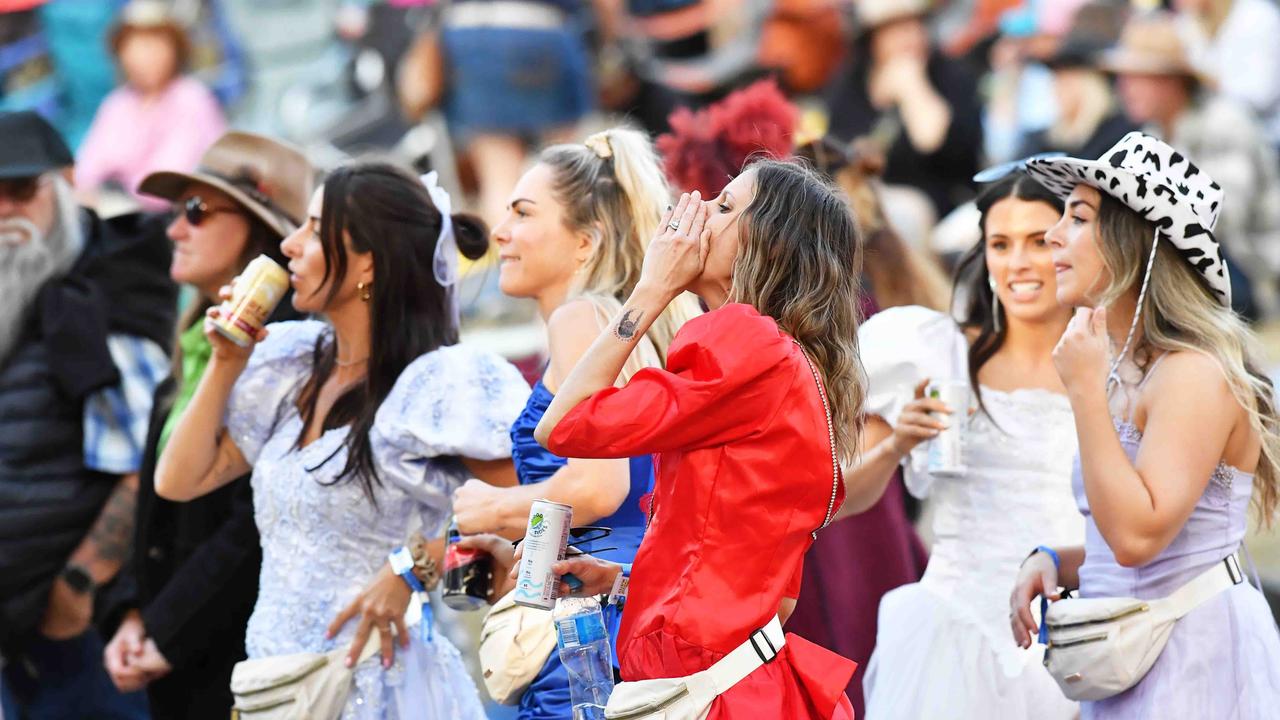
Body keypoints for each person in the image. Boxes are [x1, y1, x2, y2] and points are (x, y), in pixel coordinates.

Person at [154, 161, 531, 718]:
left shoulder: (440, 382)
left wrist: (417, 568)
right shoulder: (292, 365)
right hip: (277, 685)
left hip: (383, 689)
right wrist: (227, 360)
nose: (289, 244)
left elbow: (534, 513)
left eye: (312, 228)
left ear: (369, 262)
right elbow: (178, 481)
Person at [533, 162, 863, 718]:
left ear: (769, 245)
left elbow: (564, 425)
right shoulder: (793, 362)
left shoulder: (745, 341)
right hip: (746, 681)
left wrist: (652, 286)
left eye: (724, 206)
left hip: (700, 688)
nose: (697, 210)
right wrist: (629, 580)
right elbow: (772, 596)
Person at [1011, 131, 1280, 717]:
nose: (1054, 234)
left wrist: (1082, 392)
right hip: (1136, 656)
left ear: (1136, 242)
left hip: (1193, 662)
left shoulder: (1194, 373)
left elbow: (1138, 538)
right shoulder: (1125, 367)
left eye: (1077, 218)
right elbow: (1130, 537)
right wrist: (1057, 559)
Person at [451, 128, 695, 718]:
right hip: (632, 608)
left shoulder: (581, 319)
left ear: (585, 242)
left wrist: (492, 506)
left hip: (588, 633)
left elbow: (596, 487)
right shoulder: (627, 328)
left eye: (523, 213)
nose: (500, 232)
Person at [841, 167, 1084, 719]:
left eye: (1038, 242)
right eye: (1001, 244)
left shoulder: (1112, 365)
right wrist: (896, 446)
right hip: (954, 643)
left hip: (1076, 632)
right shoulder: (934, 353)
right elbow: (839, 498)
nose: (1017, 262)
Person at [97, 132, 314, 719]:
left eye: (196, 211)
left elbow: (255, 523)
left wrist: (167, 627)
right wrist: (133, 612)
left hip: (245, 664)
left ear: (262, 230)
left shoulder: (291, 349)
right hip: (183, 658)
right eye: (175, 212)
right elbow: (156, 508)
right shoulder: (196, 338)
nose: (173, 229)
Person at [0, 110, 175, 719]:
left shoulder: (106, 295)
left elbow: (151, 464)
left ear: (66, 183)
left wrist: (76, 587)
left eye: (21, 191)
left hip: (77, 639)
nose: (4, 210)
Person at [785, 135, 935, 717]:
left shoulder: (852, 313)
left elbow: (862, 440)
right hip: (853, 510)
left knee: (858, 660)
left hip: (847, 516)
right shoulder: (861, 295)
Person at [1103, 11, 1280, 320]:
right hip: (1212, 267)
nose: (1124, 88)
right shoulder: (1156, 131)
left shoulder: (1224, 121)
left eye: (1137, 77)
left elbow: (1218, 218)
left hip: (1256, 274)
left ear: (1173, 81)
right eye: (1123, 77)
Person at [438, 0, 594, 224]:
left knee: (499, 177)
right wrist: (612, 39)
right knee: (563, 169)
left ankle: (506, 254)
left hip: (470, 33)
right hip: (542, 30)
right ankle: (562, 249)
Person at [825, 0, 983, 217]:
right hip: (864, 211)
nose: (911, 38)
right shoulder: (850, 87)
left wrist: (913, 89)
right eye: (896, 30)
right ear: (872, 38)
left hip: (943, 210)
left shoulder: (952, 77)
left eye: (916, 25)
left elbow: (934, 142)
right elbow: (839, 158)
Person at [75, 1, 226, 212]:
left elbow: (165, 184)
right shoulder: (117, 103)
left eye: (155, 44)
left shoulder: (191, 98)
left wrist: (118, 184)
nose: (145, 57)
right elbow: (86, 170)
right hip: (126, 213)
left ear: (175, 50)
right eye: (136, 46)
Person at [1175, 0, 1280, 148]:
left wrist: (1201, 78)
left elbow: (1260, 97)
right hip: (1212, 133)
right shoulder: (1188, 21)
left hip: (1266, 138)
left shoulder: (1259, 16)